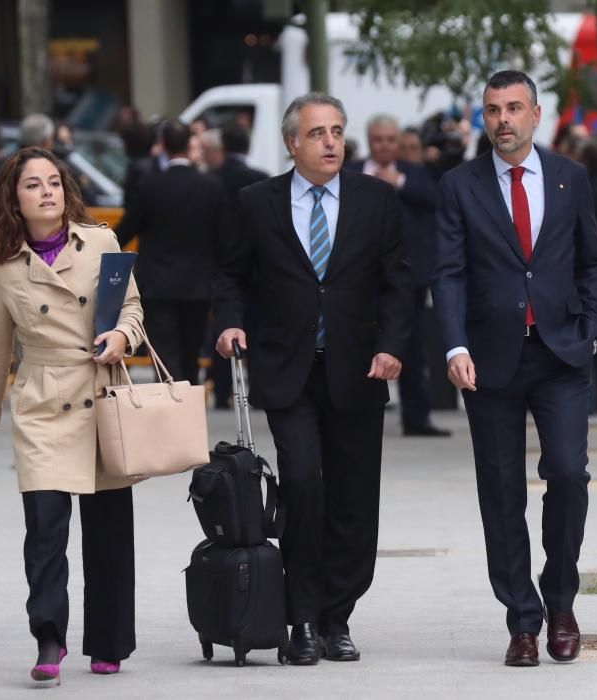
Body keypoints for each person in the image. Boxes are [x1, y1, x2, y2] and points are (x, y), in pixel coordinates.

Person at [213, 93, 412, 665]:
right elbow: (231, 275)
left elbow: (398, 283)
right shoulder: (257, 203)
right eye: (318, 133)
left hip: (358, 368)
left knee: (353, 497)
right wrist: (229, 323)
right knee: (302, 482)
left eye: (337, 131)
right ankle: (300, 616)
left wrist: (392, 347)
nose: (331, 142)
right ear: (291, 143)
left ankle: (337, 615)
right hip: (288, 370)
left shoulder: (377, 201)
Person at [431, 71, 597, 667]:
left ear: (536, 112)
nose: (503, 119)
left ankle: (562, 602)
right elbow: (448, 272)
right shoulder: (459, 185)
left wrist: (592, 329)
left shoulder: (569, 178)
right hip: (489, 360)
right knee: (501, 493)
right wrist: (455, 347)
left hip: (561, 354)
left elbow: (593, 261)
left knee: (568, 474)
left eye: (513, 108)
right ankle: (523, 621)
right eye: (491, 110)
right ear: (483, 119)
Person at [0, 147, 144, 684]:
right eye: (32, 185)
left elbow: (132, 308)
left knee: (109, 531)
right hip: (42, 400)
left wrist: (120, 336)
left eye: (53, 182)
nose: (47, 192)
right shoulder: (0, 261)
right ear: (13, 200)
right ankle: (49, 638)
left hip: (101, 391)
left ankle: (109, 641)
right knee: (44, 530)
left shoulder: (101, 242)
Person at [349, 114, 450, 436]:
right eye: (378, 139)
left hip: (408, 279)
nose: (384, 146)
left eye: (390, 140)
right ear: (369, 140)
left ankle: (416, 417)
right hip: (359, 278)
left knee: (412, 346)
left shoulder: (416, 174)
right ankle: (356, 414)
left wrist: (400, 183)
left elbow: (437, 201)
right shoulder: (350, 173)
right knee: (357, 346)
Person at [117, 120, 230, 385]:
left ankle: (173, 402)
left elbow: (127, 229)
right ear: (190, 145)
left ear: (164, 145)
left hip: (157, 282)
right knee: (191, 350)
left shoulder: (149, 185)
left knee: (165, 352)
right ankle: (189, 399)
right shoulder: (211, 186)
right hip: (199, 283)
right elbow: (224, 236)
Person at [207, 120, 270, 409]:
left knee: (223, 328)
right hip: (258, 265)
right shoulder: (260, 178)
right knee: (256, 328)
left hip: (220, 259)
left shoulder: (212, 178)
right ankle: (257, 387)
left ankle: (221, 390)